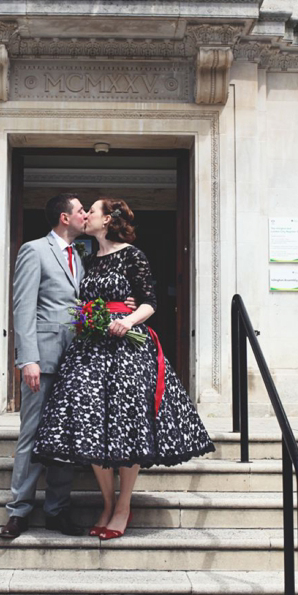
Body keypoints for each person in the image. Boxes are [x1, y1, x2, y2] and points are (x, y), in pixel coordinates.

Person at [32, 197, 215, 539]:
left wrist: (128, 320)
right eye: (83, 211)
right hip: (91, 348)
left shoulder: (133, 254)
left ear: (107, 220)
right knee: (92, 425)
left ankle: (123, 506)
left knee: (128, 425)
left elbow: (150, 302)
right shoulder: (87, 258)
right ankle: (106, 501)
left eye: (93, 211)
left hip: (127, 348)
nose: (85, 216)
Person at [0, 193, 87, 539]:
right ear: (64, 218)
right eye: (80, 210)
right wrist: (28, 359)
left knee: (64, 439)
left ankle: (56, 511)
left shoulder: (79, 257)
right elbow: (23, 308)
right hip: (43, 359)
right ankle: (19, 511)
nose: (85, 214)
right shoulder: (34, 250)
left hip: (74, 361)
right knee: (32, 435)